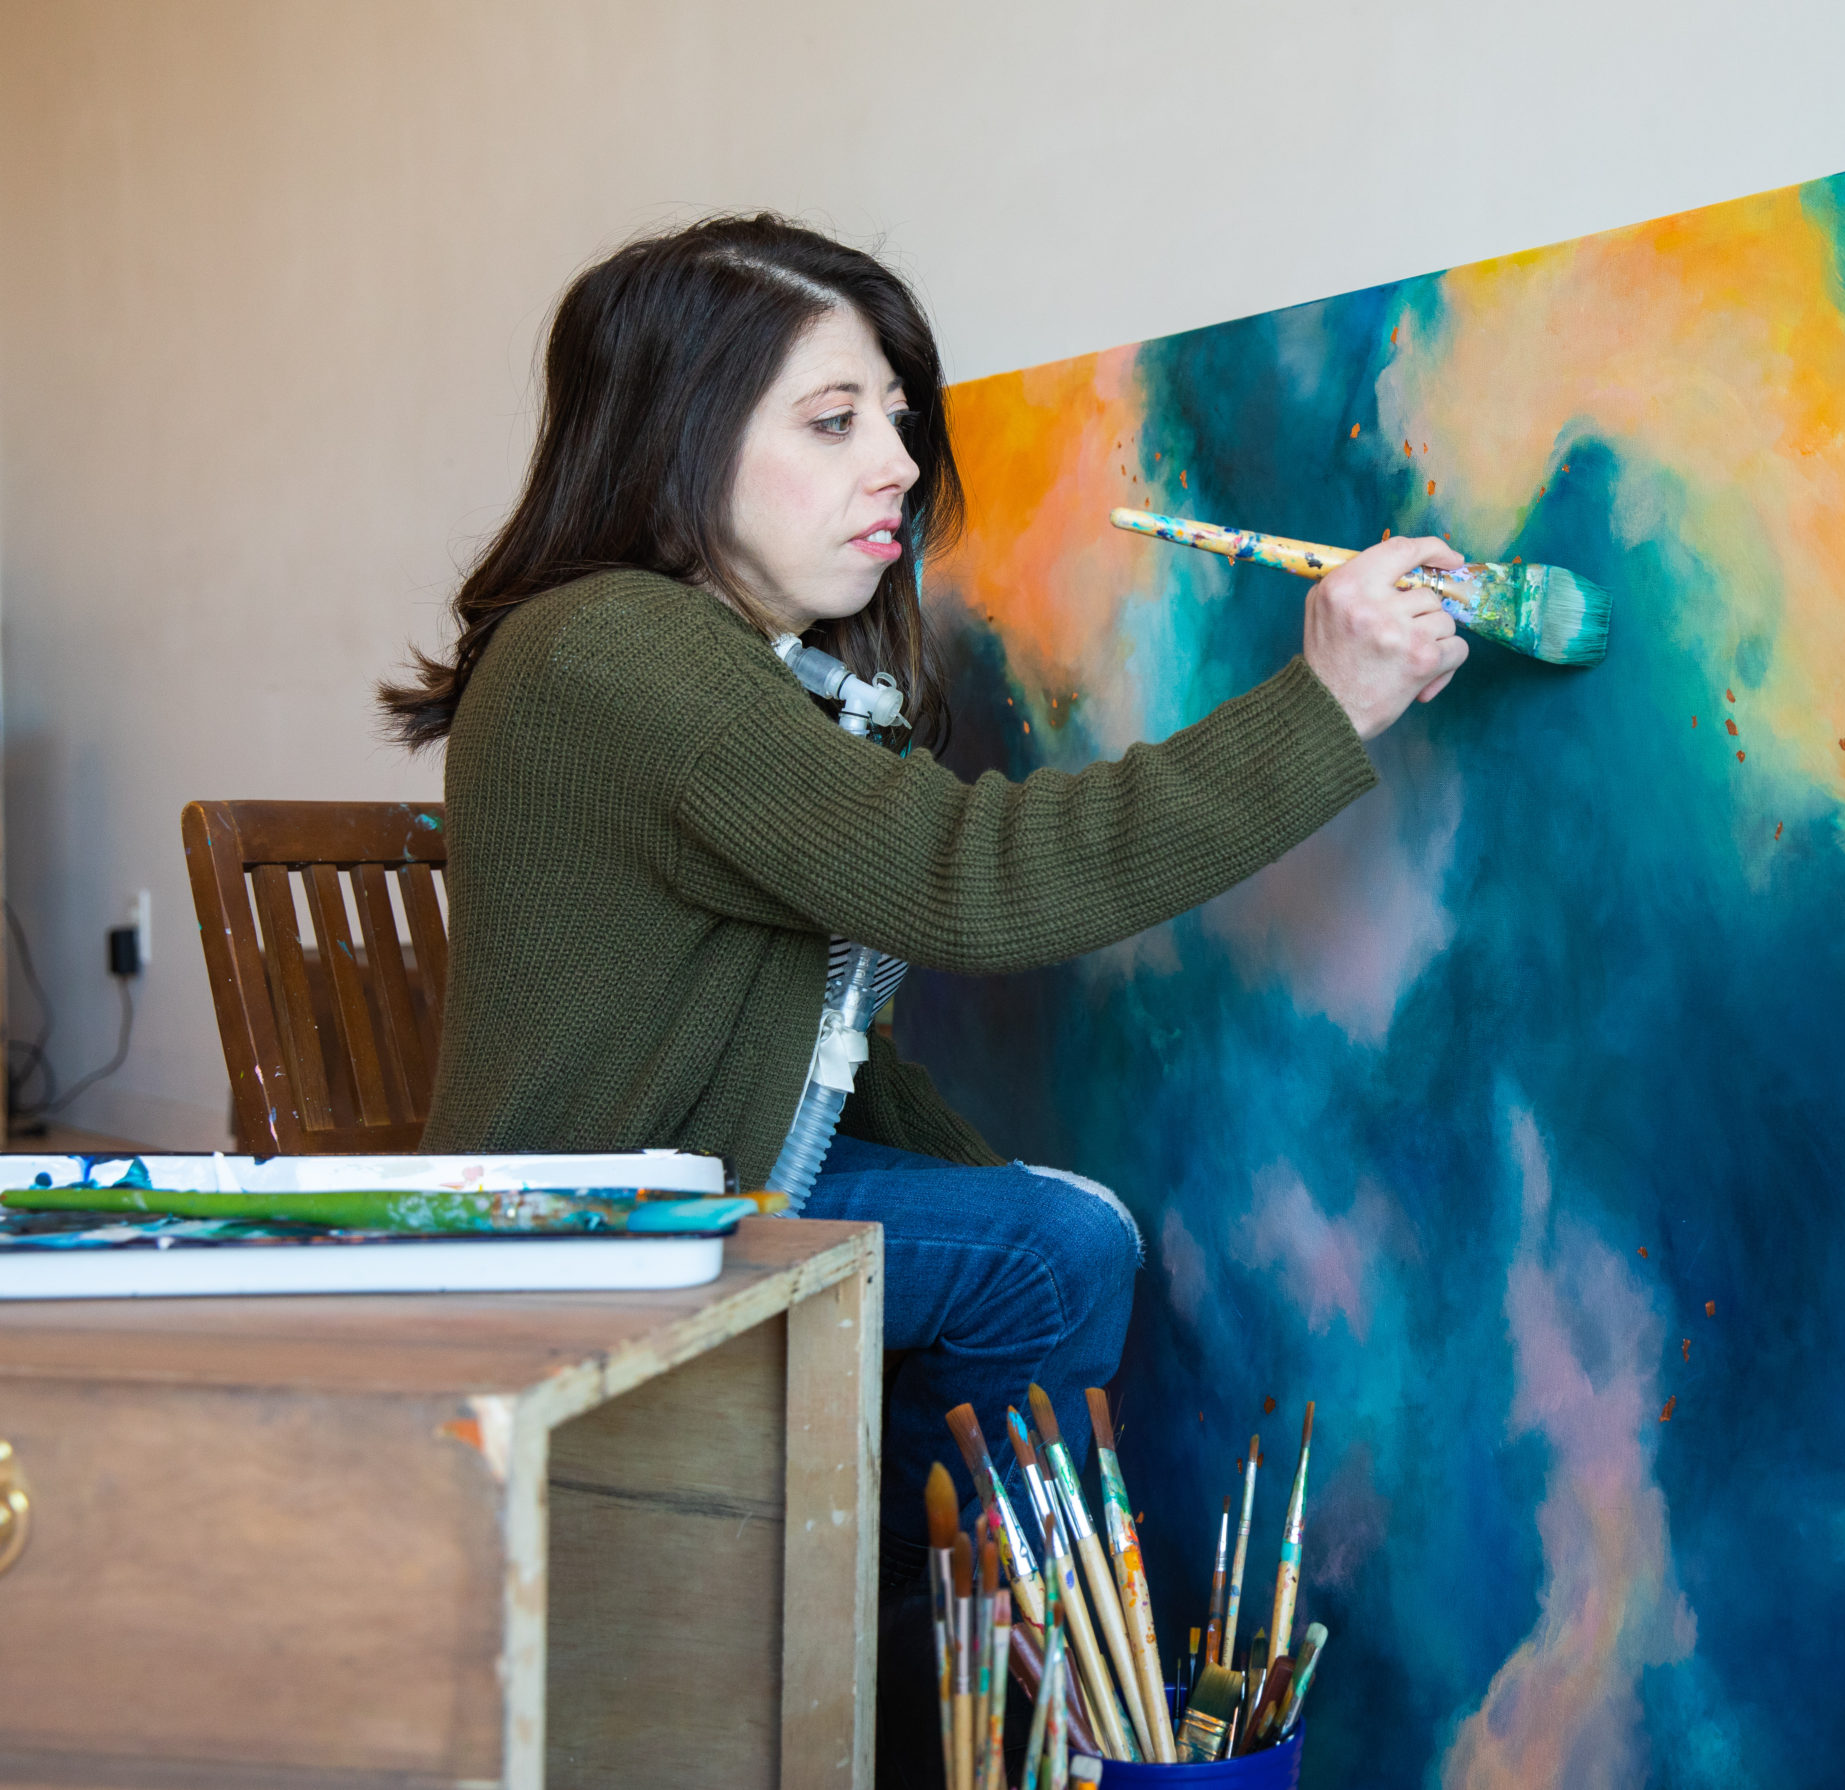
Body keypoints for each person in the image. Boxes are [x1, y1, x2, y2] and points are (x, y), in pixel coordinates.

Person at [379, 213, 1464, 1780]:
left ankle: (849, 1654)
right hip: (604, 1237)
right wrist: (1325, 705)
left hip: (700, 1188)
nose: (897, 461)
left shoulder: (727, 664)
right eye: (833, 422)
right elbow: (974, 879)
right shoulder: (614, 649)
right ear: (673, 435)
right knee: (1057, 1249)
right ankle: (924, 1707)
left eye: (895, 416)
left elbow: (826, 1038)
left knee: (1040, 1224)